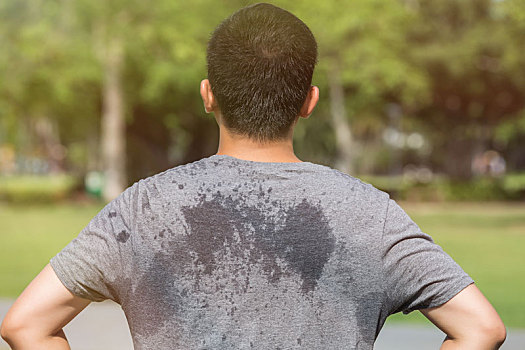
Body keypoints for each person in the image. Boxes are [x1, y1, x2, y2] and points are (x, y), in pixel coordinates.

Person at [1, 3, 506, 349]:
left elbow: (25, 325)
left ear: (208, 95)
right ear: (308, 103)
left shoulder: (145, 207)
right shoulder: (370, 212)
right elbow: (481, 329)